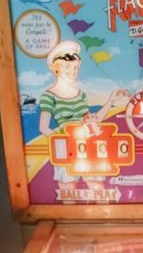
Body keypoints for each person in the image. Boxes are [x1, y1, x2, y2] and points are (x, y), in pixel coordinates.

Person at [38, 40, 128, 191]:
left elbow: (92, 121)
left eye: (75, 67)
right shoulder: (49, 96)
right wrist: (63, 142)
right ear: (57, 68)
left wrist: (110, 101)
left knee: (98, 190)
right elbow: (43, 127)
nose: (72, 72)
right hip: (66, 149)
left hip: (88, 145)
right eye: (67, 67)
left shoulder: (80, 94)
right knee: (68, 192)